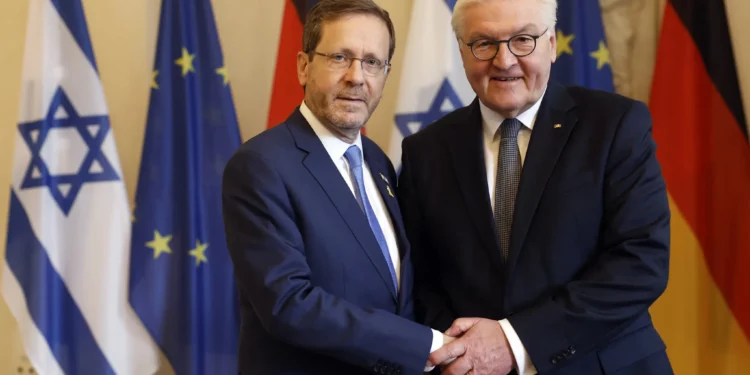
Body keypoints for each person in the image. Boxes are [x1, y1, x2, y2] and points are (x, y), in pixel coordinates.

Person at [398, 0, 673, 374]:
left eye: (523, 39)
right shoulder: (425, 151)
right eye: (483, 43)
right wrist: (464, 349)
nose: (504, 60)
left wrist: (515, 341)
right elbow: (422, 279)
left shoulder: (615, 126)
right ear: (462, 50)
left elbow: (641, 263)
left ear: (552, 43)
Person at [221, 1, 449, 374]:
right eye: (341, 57)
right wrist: (426, 343)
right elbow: (289, 303)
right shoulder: (261, 166)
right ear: (303, 66)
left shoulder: (378, 162)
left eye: (373, 62)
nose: (357, 77)